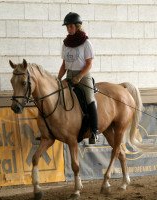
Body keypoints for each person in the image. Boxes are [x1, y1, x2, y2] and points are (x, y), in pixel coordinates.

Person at [58, 12, 99, 144]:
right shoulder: (65, 44)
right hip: (69, 74)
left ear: (77, 26)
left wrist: (80, 76)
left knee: (89, 99)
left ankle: (94, 131)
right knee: (56, 94)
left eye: (70, 26)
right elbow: (64, 65)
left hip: (83, 75)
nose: (68, 29)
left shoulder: (86, 43)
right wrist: (58, 79)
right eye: (67, 27)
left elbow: (89, 64)